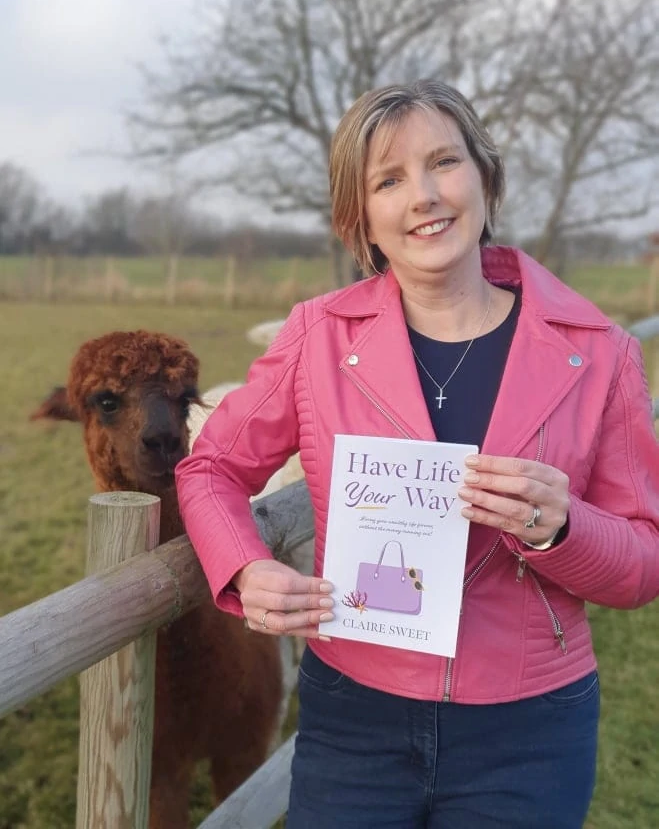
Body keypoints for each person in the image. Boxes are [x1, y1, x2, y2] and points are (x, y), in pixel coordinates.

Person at [175, 79, 659, 829]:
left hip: (528, 732)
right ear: (360, 218)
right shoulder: (315, 339)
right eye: (389, 180)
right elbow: (210, 469)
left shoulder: (601, 354)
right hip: (353, 722)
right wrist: (244, 566)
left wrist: (561, 528)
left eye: (444, 162)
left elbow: (642, 564)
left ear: (485, 177)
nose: (424, 196)